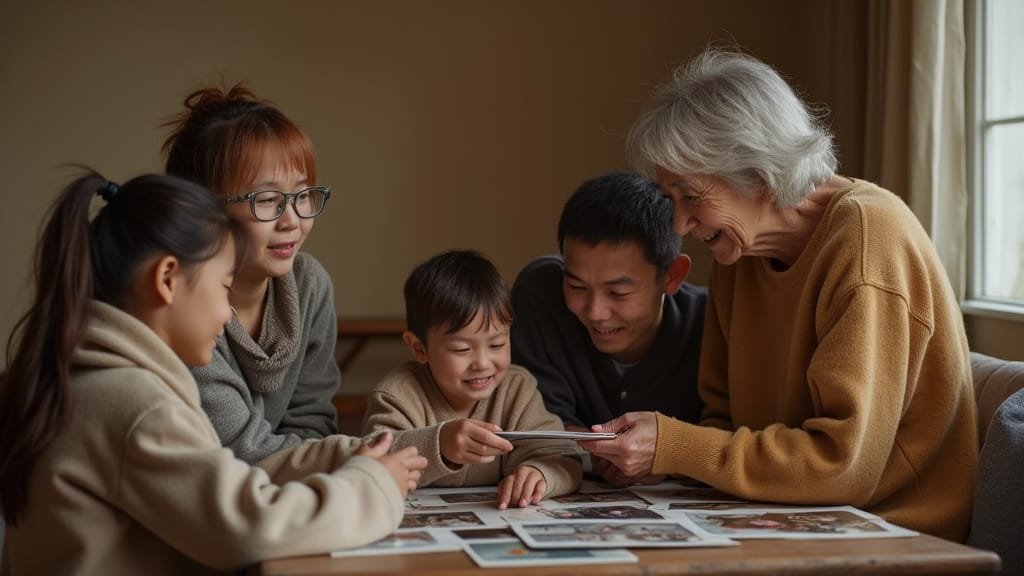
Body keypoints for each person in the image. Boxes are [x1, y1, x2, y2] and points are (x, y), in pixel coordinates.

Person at [581, 48, 976, 541]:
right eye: (670, 200)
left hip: (889, 528)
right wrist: (666, 462)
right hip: (782, 514)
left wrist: (678, 447)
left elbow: (843, 466)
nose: (680, 224)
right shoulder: (737, 252)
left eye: (692, 197)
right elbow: (723, 421)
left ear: (760, 172)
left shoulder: (867, 239)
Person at [0, 170, 426, 575]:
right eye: (225, 286)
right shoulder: (135, 405)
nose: (227, 314)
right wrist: (372, 484)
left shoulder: (93, 379)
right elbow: (250, 528)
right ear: (167, 279)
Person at [163, 84, 341, 464]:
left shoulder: (310, 285)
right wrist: (364, 458)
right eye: (267, 200)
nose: (292, 220)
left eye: (302, 194)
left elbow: (314, 425)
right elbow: (239, 449)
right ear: (202, 210)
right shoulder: (185, 305)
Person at [510, 171, 706, 486]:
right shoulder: (540, 295)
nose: (596, 312)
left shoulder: (709, 322)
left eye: (618, 292)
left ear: (672, 276)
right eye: (577, 285)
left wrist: (669, 456)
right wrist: (601, 452)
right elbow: (532, 421)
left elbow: (728, 436)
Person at [362, 250, 582, 509]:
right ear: (419, 348)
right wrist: (440, 444)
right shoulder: (398, 394)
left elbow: (561, 456)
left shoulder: (516, 389)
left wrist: (540, 473)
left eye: (497, 344)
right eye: (462, 350)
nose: (482, 363)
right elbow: (372, 459)